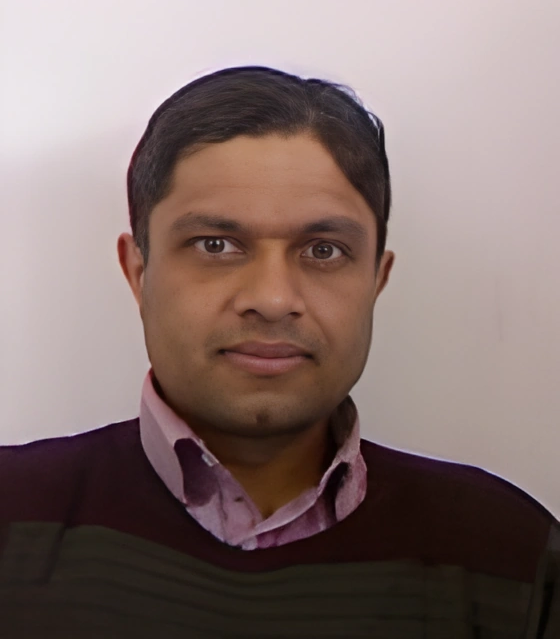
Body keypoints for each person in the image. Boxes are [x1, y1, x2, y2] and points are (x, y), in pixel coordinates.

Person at [1, 66, 558, 638]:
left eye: (323, 250)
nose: (271, 300)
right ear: (138, 272)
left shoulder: (512, 556)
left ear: (376, 279)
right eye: (215, 244)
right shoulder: (11, 515)